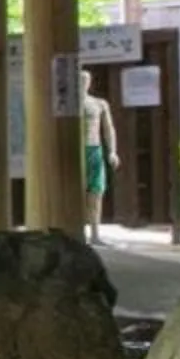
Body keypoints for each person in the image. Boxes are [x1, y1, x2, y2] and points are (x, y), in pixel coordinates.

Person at [80, 70, 119, 243]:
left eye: (86, 80)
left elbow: (109, 129)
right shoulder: (69, 104)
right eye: (80, 80)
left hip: (94, 149)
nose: (83, 83)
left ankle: (95, 233)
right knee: (77, 193)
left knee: (96, 191)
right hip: (77, 151)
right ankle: (78, 231)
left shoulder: (99, 103)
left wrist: (112, 151)